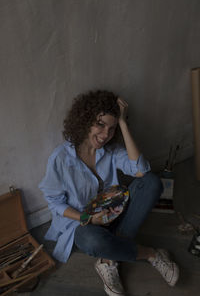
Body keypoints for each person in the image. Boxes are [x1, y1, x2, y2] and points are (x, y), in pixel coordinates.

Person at [39, 90, 179, 296]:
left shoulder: (111, 149)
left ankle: (109, 259)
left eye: (112, 128)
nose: (105, 135)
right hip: (84, 222)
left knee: (151, 182)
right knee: (92, 241)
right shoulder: (60, 158)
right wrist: (88, 218)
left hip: (115, 211)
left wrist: (123, 123)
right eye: (100, 124)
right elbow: (54, 201)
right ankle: (150, 254)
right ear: (85, 121)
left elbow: (141, 170)